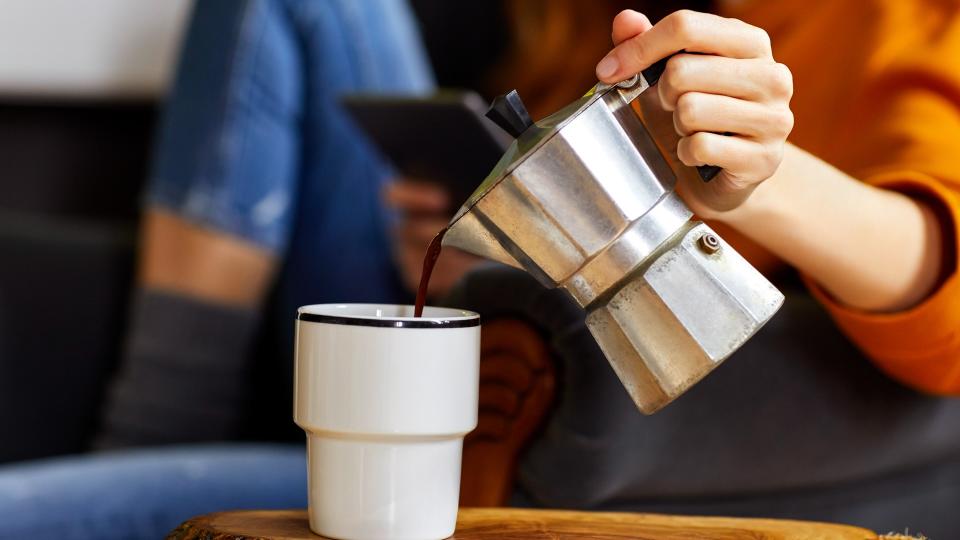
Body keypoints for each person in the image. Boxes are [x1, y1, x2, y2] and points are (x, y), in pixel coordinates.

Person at [2, 0, 959, 537]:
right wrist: (478, 233)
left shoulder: (898, 21)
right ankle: (156, 442)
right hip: (454, 319)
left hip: (535, 441)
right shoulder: (585, 17)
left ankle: (149, 455)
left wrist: (753, 178)